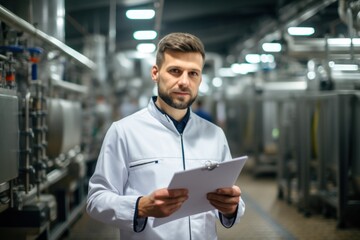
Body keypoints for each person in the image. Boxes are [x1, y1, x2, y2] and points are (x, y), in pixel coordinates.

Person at [86, 32, 245, 240]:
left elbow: (227, 199)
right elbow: (96, 199)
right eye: (175, 71)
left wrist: (232, 207)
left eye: (193, 73)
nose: (184, 82)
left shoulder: (214, 135)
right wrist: (139, 206)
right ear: (155, 73)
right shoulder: (124, 131)